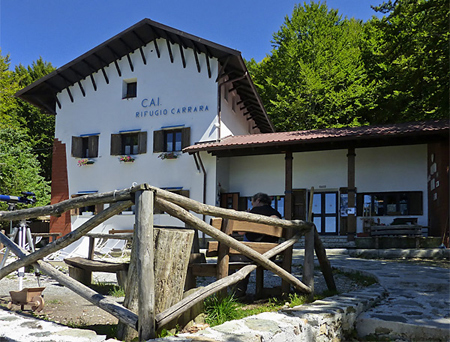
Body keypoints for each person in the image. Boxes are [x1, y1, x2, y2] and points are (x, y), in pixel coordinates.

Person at [232, 192, 282, 299]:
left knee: (228, 257)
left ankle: (238, 291)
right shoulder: (276, 214)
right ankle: (242, 292)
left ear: (258, 200)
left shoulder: (252, 213)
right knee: (246, 255)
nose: (252, 205)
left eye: (252, 202)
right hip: (270, 255)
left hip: (250, 255)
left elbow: (240, 232)